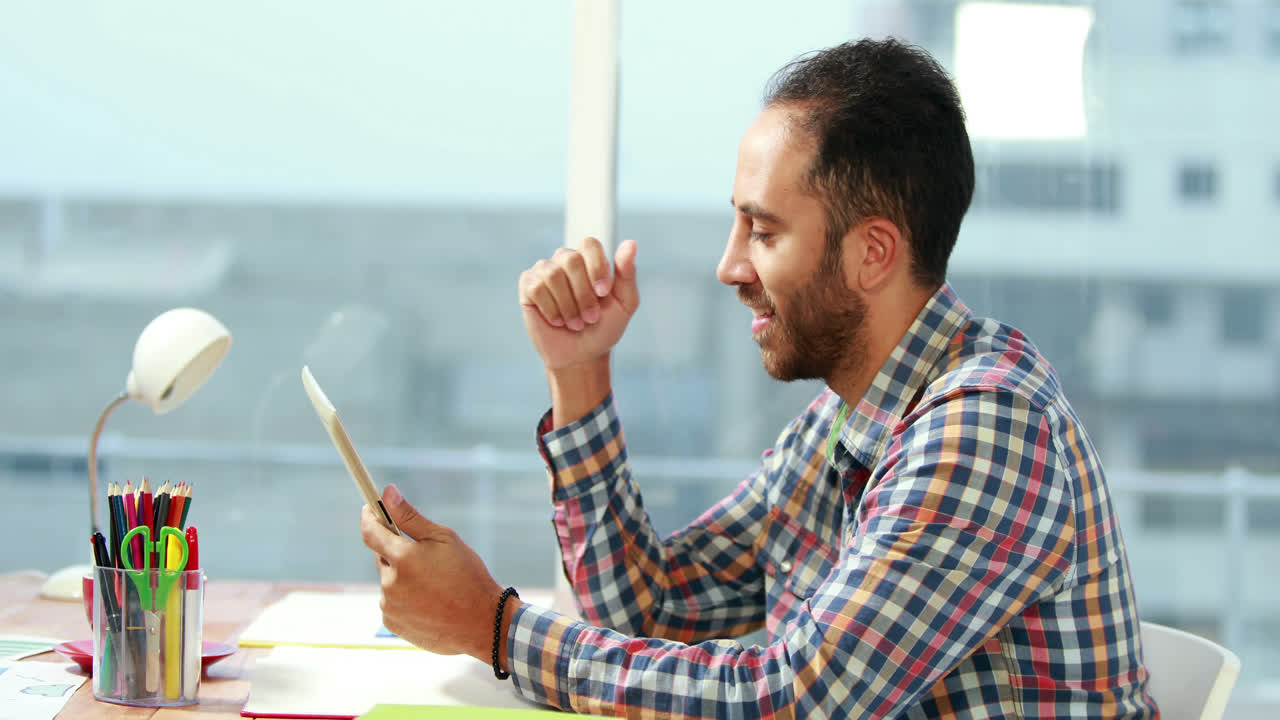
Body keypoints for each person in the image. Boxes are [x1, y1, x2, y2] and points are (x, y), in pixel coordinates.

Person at [361, 38, 1159, 719]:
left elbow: (792, 700)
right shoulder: (844, 422)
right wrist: (580, 374)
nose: (729, 265)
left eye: (763, 231)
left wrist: (496, 629)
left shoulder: (986, 426)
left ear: (871, 253)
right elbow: (655, 610)